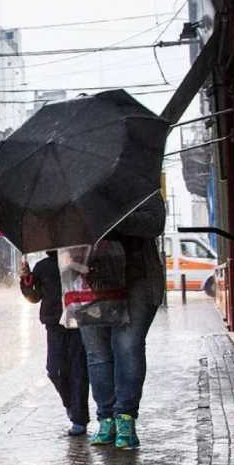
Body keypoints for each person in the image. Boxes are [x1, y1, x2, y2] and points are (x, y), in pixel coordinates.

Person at [80, 193, 165, 450]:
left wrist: (111, 217)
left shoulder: (139, 183)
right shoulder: (72, 189)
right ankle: (106, 418)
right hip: (89, 281)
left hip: (136, 280)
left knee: (127, 347)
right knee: (98, 354)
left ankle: (125, 418)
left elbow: (154, 223)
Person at [21, 251, 90, 436]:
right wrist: (26, 279)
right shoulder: (44, 266)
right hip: (54, 324)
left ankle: (79, 418)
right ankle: (70, 404)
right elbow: (33, 297)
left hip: (78, 323)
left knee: (79, 371)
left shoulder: (79, 261)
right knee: (54, 370)